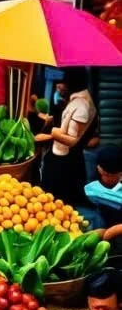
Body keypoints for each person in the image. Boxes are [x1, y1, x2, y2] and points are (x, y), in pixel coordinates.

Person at [37, 68, 99, 215]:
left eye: (62, 81)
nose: (59, 85)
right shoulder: (78, 101)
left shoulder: (81, 105)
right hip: (68, 161)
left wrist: (50, 134)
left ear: (71, 83)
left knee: (57, 206)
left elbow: (71, 140)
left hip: (64, 164)